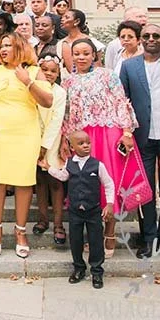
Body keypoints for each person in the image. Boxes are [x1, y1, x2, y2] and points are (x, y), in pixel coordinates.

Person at [0, 32, 55, 258]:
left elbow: (48, 101)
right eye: (1, 46)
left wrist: (28, 82)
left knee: (23, 181)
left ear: (20, 48)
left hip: (25, 132)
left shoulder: (34, 71)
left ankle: (21, 231)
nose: (3, 50)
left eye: (8, 45)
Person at [61, 38, 139, 259]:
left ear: (94, 55)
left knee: (108, 181)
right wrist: (66, 141)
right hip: (83, 137)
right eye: (77, 53)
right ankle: (92, 232)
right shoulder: (68, 82)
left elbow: (121, 101)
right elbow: (66, 113)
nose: (81, 57)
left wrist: (126, 131)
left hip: (107, 133)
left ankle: (110, 233)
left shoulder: (108, 75)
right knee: (86, 184)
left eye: (86, 53)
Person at [120, 23, 160, 259]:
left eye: (156, 35)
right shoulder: (128, 66)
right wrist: (126, 132)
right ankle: (148, 239)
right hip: (141, 137)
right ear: (140, 40)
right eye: (146, 36)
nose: (151, 39)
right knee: (144, 192)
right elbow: (122, 102)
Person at [48, 131, 115, 289]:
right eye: (81, 143)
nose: (86, 146)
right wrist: (49, 168)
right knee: (76, 240)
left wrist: (110, 204)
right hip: (75, 210)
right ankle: (79, 268)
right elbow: (63, 176)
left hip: (93, 210)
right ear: (72, 147)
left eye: (88, 143)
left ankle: (97, 271)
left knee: (96, 241)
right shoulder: (69, 164)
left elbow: (109, 184)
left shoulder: (97, 165)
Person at [33, 53, 68, 247]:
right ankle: (43, 218)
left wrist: (45, 147)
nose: (48, 73)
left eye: (53, 71)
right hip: (32, 140)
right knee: (39, 181)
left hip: (52, 142)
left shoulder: (60, 93)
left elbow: (56, 121)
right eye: (44, 69)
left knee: (55, 181)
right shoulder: (34, 88)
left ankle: (58, 223)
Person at [104, 7, 148, 72]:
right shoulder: (114, 45)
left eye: (145, 16)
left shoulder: (153, 43)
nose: (144, 19)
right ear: (127, 20)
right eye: (139, 16)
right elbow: (109, 69)